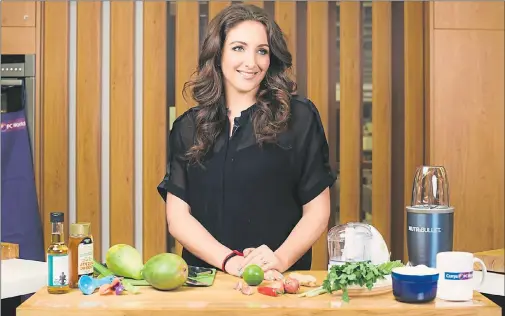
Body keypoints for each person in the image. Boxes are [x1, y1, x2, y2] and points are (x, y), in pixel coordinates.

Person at [157, 3, 336, 277]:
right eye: (239, 48)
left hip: (276, 280)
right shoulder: (187, 127)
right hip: (206, 285)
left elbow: (317, 211)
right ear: (218, 54)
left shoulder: (299, 117)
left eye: (261, 51)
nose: (251, 62)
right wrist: (231, 261)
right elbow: (179, 219)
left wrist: (279, 259)